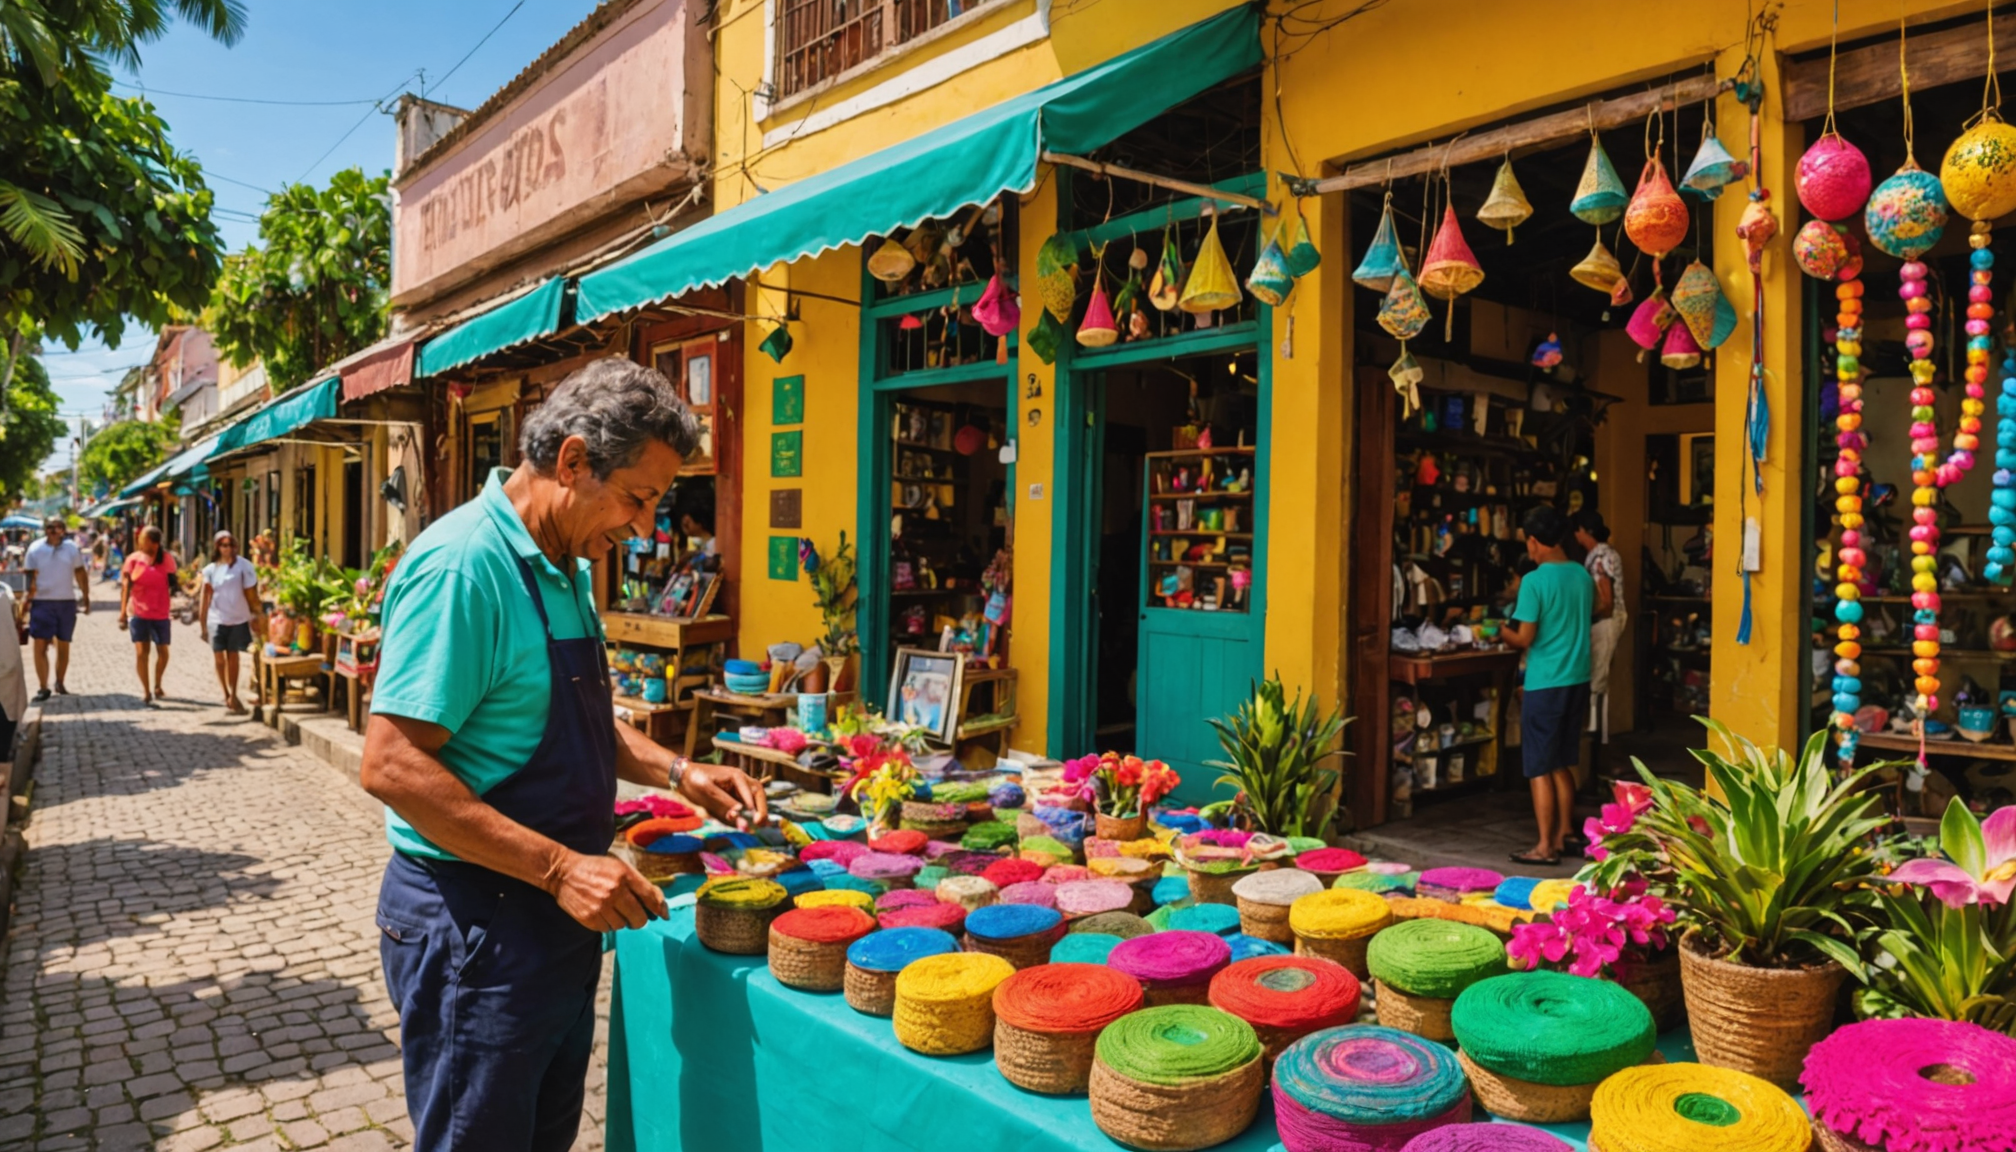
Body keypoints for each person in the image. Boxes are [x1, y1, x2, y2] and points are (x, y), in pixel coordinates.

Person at [359, 358, 769, 1152]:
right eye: (639, 497)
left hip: (550, 922)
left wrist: (682, 773)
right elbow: (391, 764)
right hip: (476, 924)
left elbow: (579, 722)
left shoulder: (564, 565)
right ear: (574, 461)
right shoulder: (465, 567)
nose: (645, 527)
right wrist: (558, 867)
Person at [1502, 505, 1593, 866]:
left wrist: (1501, 631)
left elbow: (1524, 637)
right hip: (1577, 678)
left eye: (1530, 544)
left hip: (1545, 681)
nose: (1530, 551)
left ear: (1536, 541)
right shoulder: (1582, 575)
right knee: (1562, 762)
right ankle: (1564, 834)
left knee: (1539, 765)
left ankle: (1544, 847)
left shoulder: (1535, 581)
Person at [1574, 509, 1627, 745]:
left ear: (1585, 532)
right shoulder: (1607, 553)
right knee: (1598, 678)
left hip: (1604, 622)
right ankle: (1597, 735)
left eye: (1577, 531)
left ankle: (1598, 737)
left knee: (1597, 681)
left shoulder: (1598, 559)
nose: (1576, 537)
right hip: (1610, 621)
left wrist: (1583, 615)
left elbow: (1605, 602)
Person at [198, 530, 265, 714]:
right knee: (219, 657)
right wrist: (202, 623)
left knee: (233, 656)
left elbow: (252, 594)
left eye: (230, 545)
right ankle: (226, 692)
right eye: (223, 545)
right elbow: (205, 597)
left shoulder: (244, 567)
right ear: (218, 547)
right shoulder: (211, 570)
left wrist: (257, 615)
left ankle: (233, 694)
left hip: (238, 618)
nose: (227, 549)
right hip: (216, 619)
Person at [23, 517, 89, 700]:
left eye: (57, 527)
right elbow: (28, 577)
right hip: (42, 602)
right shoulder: (35, 549)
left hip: (66, 602)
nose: (53, 530)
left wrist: (86, 596)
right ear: (45, 529)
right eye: (50, 527)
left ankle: (60, 681)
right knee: (40, 645)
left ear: (63, 530)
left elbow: (80, 573)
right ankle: (43, 687)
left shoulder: (71, 549)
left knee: (63, 643)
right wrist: (25, 602)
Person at [119, 526, 177, 706]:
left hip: (160, 612)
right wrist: (122, 613)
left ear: (154, 543)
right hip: (138, 612)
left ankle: (158, 683)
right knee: (141, 653)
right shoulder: (133, 560)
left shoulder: (166, 559)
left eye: (143, 539)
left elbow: (173, 583)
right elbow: (126, 588)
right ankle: (146, 691)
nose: (140, 542)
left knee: (163, 652)